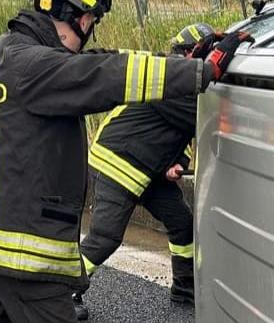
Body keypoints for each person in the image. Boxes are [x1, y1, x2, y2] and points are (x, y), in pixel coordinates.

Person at [0, 0, 247, 323]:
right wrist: (201, 71)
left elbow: (96, 63)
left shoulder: (13, 52)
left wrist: (183, 63)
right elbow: (108, 74)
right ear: (82, 19)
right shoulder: (38, 67)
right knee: (105, 238)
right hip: (23, 254)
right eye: (92, 22)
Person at [75, 23, 224, 319]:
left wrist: (179, 162)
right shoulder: (173, 89)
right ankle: (64, 291)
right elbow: (201, 122)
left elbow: (179, 136)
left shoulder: (174, 85)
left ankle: (184, 287)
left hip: (146, 169)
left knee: (181, 221)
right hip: (118, 163)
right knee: (105, 237)